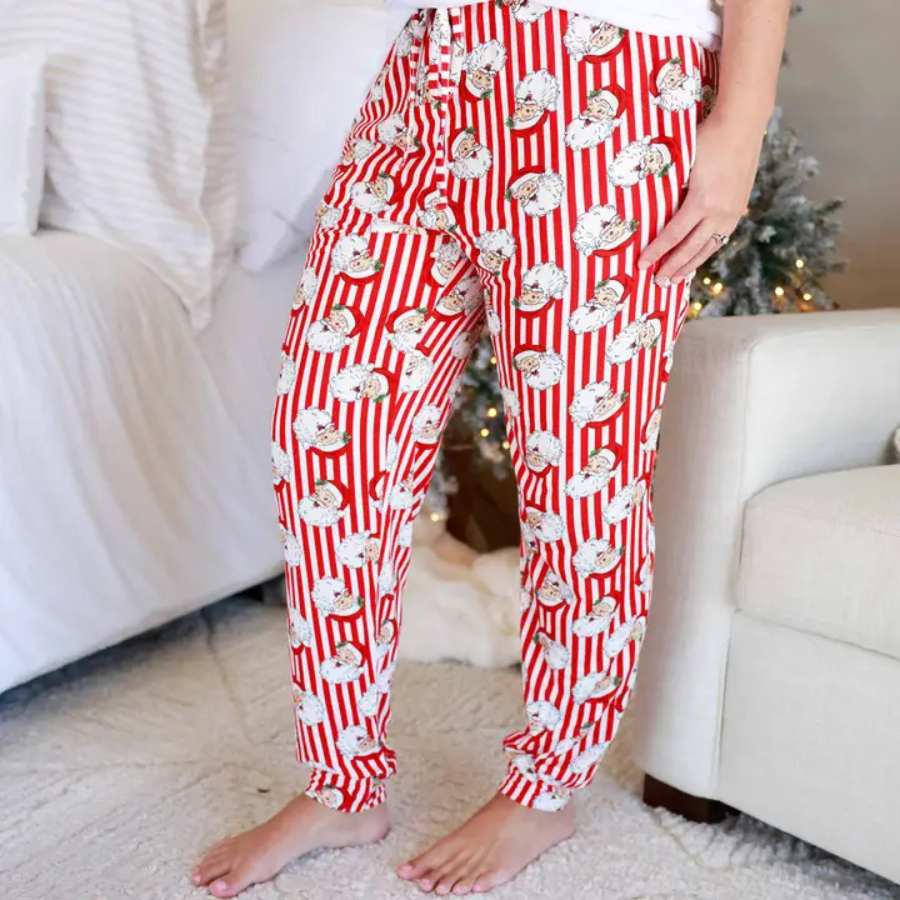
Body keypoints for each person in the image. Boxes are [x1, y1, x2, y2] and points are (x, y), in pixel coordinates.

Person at [193, 0, 791, 895]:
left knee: (578, 468)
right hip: (427, 69)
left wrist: (739, 125)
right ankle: (341, 782)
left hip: (604, 80)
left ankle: (547, 788)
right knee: (328, 431)